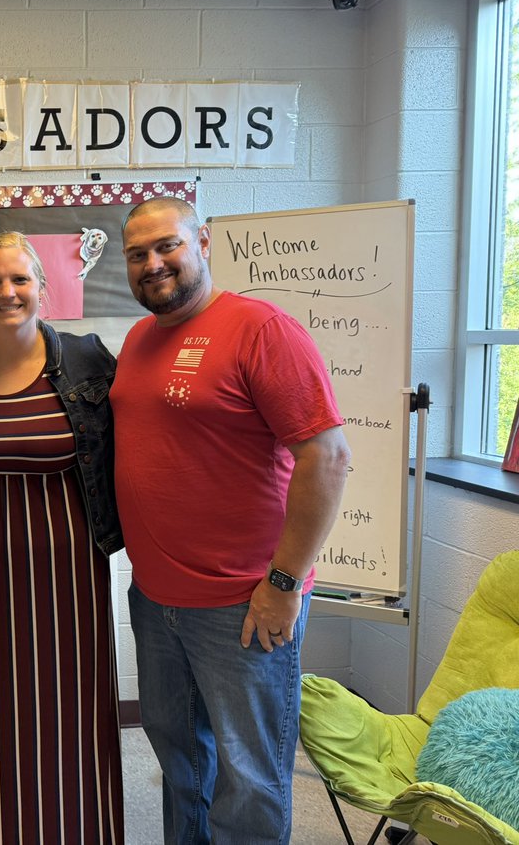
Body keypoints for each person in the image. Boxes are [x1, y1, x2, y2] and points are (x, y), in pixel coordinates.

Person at [111, 196, 352, 844]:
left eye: (167, 246)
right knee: (181, 762)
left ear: (203, 243)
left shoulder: (261, 329)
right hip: (156, 600)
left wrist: (284, 583)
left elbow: (327, 458)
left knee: (250, 778)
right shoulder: (138, 340)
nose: (153, 264)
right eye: (137, 254)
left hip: (243, 606)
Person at [0, 232, 124, 844]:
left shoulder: (87, 359)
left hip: (72, 578)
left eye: (19, 279)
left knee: (77, 719)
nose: (7, 292)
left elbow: (133, 449)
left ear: (42, 286)